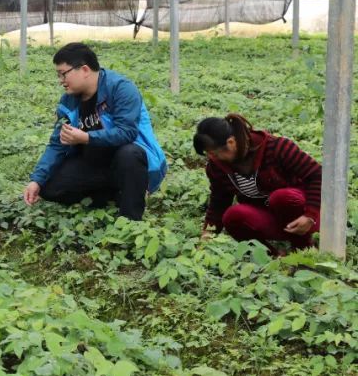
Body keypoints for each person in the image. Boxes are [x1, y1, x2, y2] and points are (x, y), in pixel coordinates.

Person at [23, 43, 166, 220]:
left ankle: (130, 220)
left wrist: (85, 137)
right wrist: (36, 179)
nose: (60, 80)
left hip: (129, 158)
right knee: (49, 187)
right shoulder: (69, 100)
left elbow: (127, 132)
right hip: (96, 162)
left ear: (84, 69)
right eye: (58, 75)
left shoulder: (121, 88)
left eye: (63, 74)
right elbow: (58, 143)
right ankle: (114, 195)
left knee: (130, 154)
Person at [193, 114, 321, 254]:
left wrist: (310, 215)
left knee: (281, 197)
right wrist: (208, 233)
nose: (212, 158)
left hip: (304, 216)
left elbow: (317, 175)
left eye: (214, 153)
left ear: (231, 142)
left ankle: (304, 250)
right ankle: (272, 257)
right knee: (233, 216)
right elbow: (219, 201)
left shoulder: (277, 148)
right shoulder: (217, 167)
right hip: (268, 218)